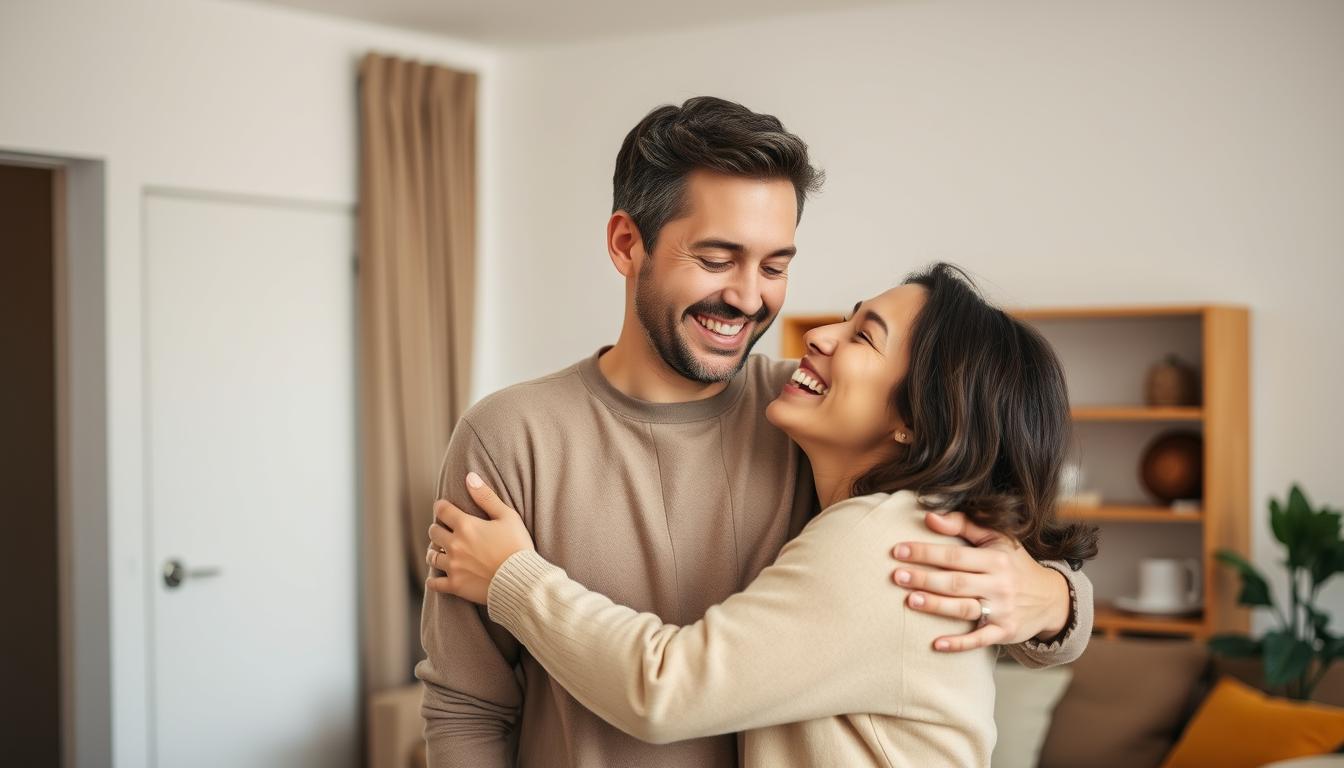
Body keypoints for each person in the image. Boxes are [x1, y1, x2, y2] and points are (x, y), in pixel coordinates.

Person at [415, 97, 1094, 768]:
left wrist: (1055, 598)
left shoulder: (812, 422)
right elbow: (466, 707)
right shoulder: (508, 435)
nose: (748, 297)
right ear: (628, 244)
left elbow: (985, 585)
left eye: (774, 267)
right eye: (717, 259)